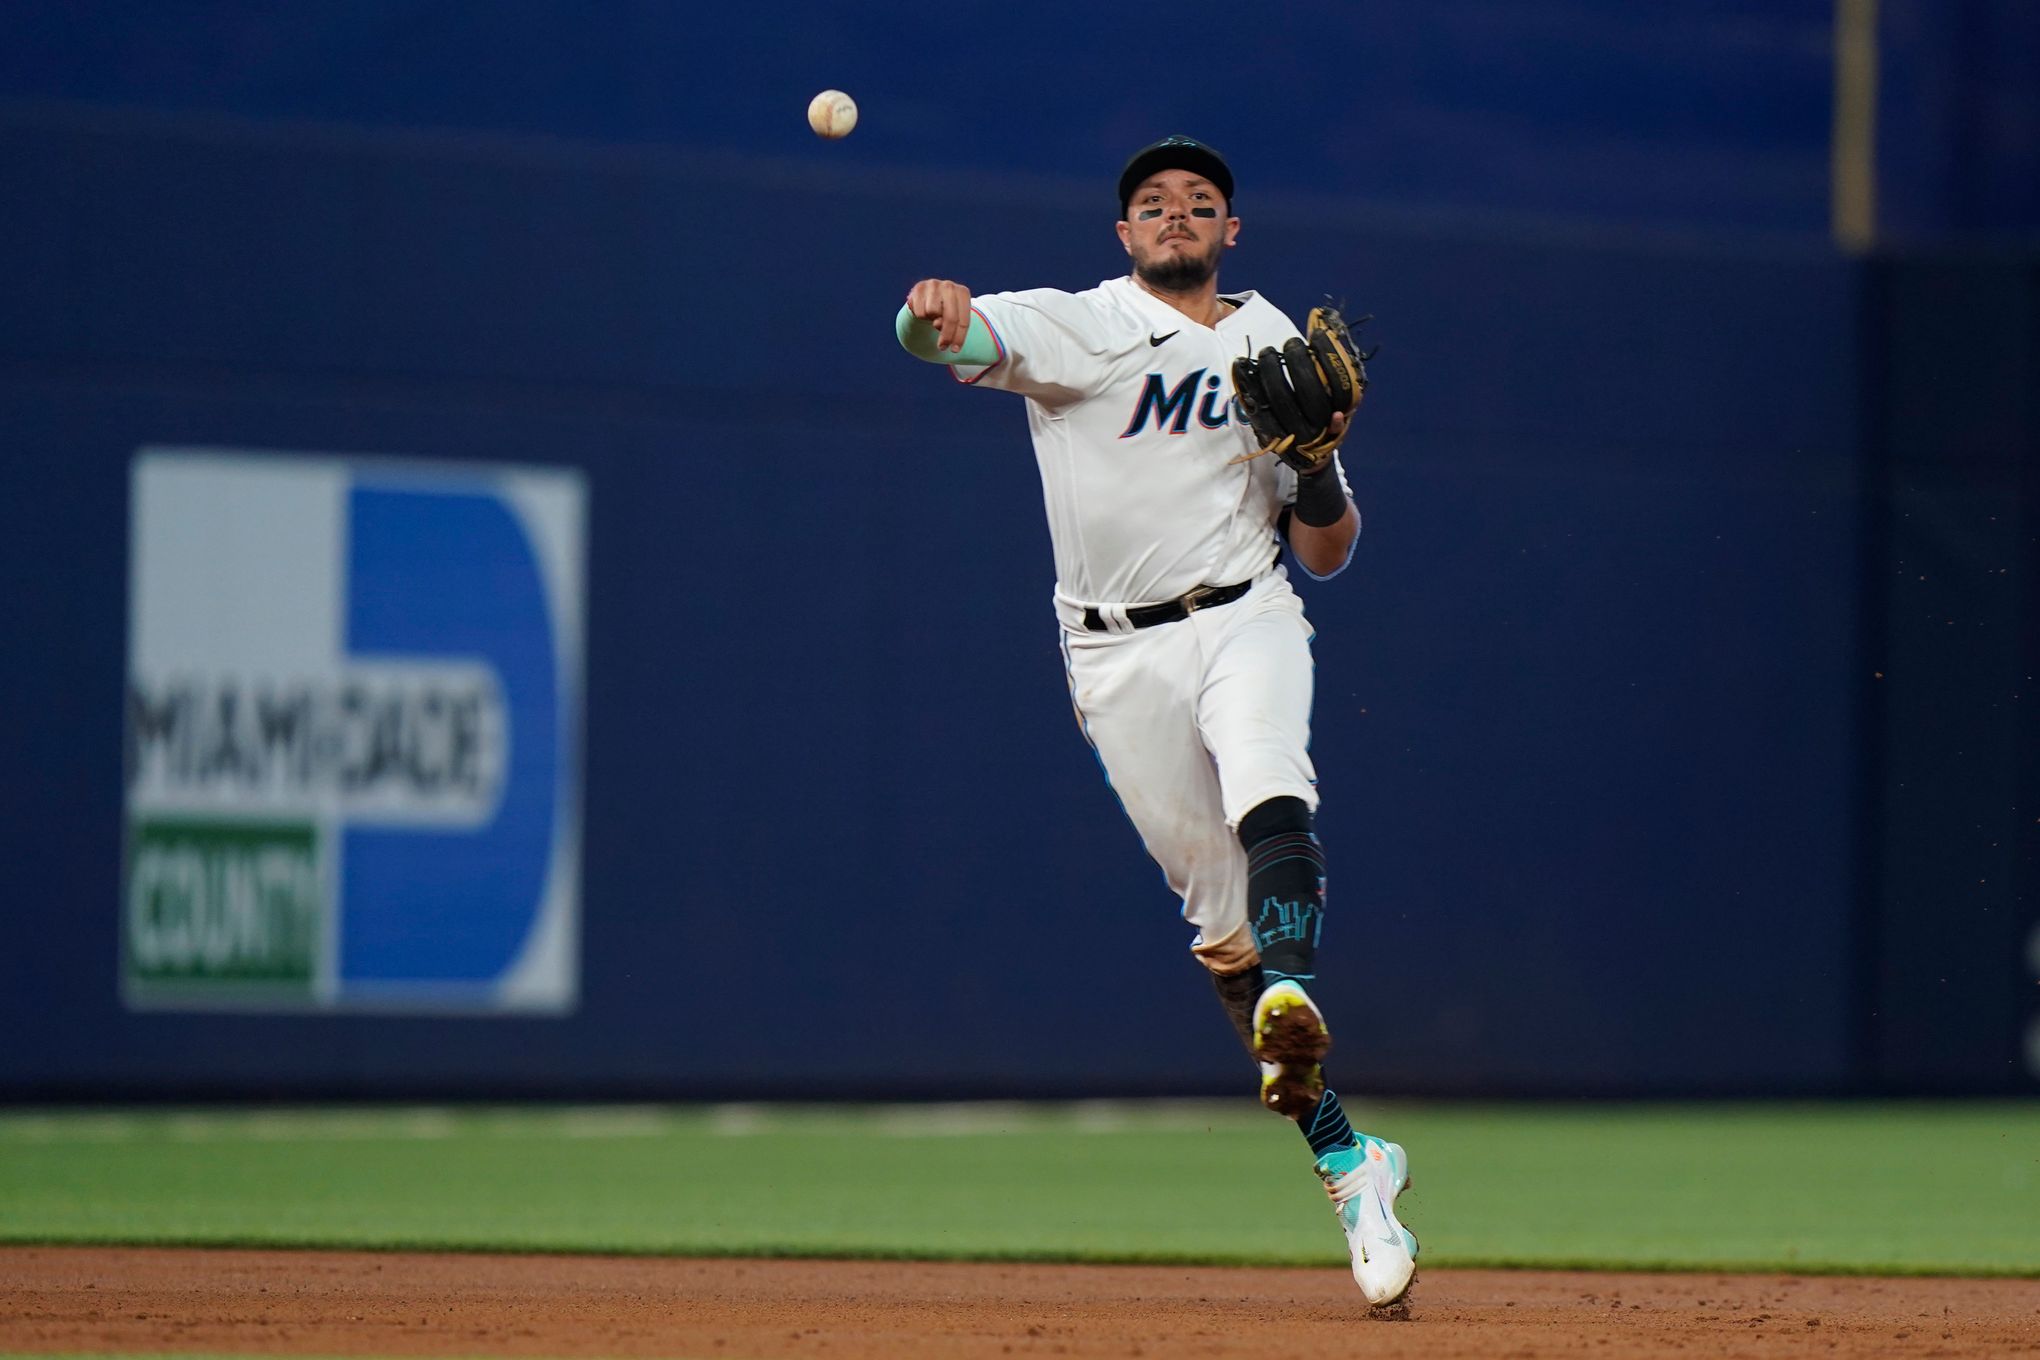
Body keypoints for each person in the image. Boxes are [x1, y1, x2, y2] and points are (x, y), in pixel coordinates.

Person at [896, 136, 1417, 1308]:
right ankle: (1352, 1160)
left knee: (1269, 774)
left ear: (1232, 230)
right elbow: (956, 335)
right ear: (1124, 236)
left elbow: (1328, 552)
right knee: (1219, 930)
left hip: (1247, 611)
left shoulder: (1274, 339)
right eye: (1151, 203)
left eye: (1199, 201)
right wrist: (930, 315)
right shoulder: (1078, 324)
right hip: (1114, 652)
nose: (1174, 212)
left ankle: (1297, 984)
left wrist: (1322, 467)